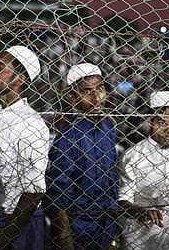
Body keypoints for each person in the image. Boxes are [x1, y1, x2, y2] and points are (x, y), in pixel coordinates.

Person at [0, 45, 50, 249]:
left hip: (20, 221)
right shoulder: (0, 116)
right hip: (1, 217)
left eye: (0, 67)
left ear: (19, 79)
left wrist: (2, 239)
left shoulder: (31, 123)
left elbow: (34, 190)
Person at [44, 63, 119, 250]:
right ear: (73, 97)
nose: (96, 98)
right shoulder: (67, 138)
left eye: (100, 89)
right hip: (77, 227)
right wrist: (65, 239)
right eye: (86, 92)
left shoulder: (108, 129)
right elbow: (58, 195)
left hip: (105, 223)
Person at [118, 90, 169, 250]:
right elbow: (123, 200)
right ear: (151, 121)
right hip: (140, 239)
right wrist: (141, 212)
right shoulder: (133, 155)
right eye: (163, 122)